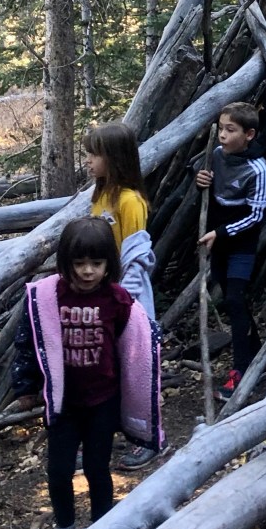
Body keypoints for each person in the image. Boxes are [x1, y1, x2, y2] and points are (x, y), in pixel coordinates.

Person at [11, 217, 164, 529]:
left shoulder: (117, 300)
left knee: (97, 467)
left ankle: (101, 527)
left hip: (103, 401)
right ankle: (64, 527)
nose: (87, 271)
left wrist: (141, 393)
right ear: (65, 262)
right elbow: (29, 342)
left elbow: (134, 345)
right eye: (79, 263)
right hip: (64, 402)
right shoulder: (48, 297)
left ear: (109, 264)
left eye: (96, 263)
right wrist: (25, 386)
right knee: (59, 469)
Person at [82, 121, 159, 469]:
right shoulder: (100, 197)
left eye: (95, 154)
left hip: (129, 302)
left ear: (114, 158)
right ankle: (103, 434)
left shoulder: (130, 202)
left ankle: (150, 437)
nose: (88, 160)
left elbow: (137, 259)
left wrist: (122, 303)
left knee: (137, 370)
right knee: (105, 371)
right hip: (102, 298)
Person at [195, 101, 266, 402]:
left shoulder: (259, 171)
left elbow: (255, 216)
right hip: (219, 244)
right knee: (232, 301)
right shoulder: (216, 155)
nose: (223, 135)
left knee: (235, 300)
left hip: (240, 245)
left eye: (231, 130)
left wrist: (222, 232)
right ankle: (258, 356)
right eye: (221, 129)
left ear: (249, 134)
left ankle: (240, 371)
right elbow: (208, 185)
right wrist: (200, 179)